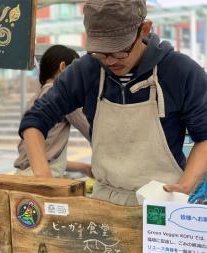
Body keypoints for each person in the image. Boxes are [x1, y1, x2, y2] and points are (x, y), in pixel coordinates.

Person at [18, 0, 207, 205]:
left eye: (119, 50)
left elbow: (204, 136)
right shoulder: (86, 70)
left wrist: (185, 186)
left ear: (144, 30)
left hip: (162, 200)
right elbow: (34, 121)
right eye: (100, 52)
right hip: (106, 201)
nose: (109, 61)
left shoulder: (180, 72)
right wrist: (44, 177)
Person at [14, 45, 91, 178]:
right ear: (62, 67)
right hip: (42, 179)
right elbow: (93, 131)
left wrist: (84, 168)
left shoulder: (35, 99)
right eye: (77, 73)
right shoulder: (62, 96)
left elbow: (44, 156)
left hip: (22, 176)